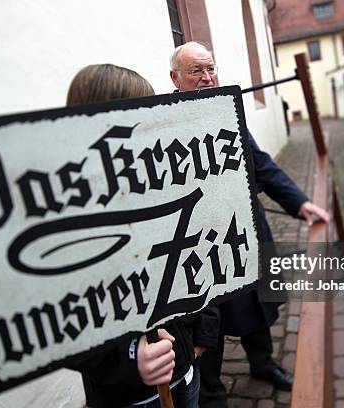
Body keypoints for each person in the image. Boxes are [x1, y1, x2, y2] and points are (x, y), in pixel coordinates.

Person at [168, 41, 330, 408]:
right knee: (208, 317)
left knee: (258, 300)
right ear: (175, 78)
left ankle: (263, 363)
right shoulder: (165, 120)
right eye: (196, 71)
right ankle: (211, 395)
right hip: (200, 238)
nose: (207, 77)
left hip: (247, 227)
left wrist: (300, 202)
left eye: (211, 68)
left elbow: (260, 161)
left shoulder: (228, 107)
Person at [66, 63, 219, 408]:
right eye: (136, 113)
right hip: (130, 398)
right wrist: (130, 359)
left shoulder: (159, 183)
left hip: (185, 372)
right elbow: (62, 323)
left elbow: (200, 258)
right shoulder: (71, 211)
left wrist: (199, 336)